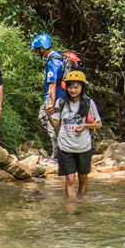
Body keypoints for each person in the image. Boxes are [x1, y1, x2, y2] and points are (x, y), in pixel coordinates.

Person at [46, 70, 102, 200]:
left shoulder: (88, 103)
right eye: (70, 87)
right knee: (70, 179)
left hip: (83, 146)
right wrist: (49, 114)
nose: (73, 90)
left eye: (76, 87)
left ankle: (81, 202)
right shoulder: (61, 102)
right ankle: (71, 207)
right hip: (65, 146)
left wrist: (85, 126)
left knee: (83, 177)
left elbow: (98, 124)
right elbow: (55, 125)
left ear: (82, 87)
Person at [31, 33, 65, 166]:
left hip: (55, 99)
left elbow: (52, 86)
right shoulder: (58, 57)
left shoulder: (52, 62)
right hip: (58, 98)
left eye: (36, 49)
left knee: (53, 127)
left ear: (42, 48)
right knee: (44, 120)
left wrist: (50, 105)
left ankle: (57, 157)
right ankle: (61, 153)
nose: (35, 52)